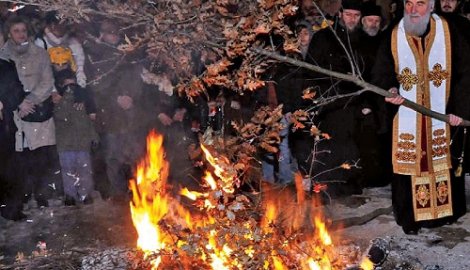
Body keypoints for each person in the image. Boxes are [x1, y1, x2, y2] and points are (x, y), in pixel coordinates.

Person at [372, 0, 470, 234]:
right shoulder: (394, 35)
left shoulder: (449, 32)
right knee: (409, 162)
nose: (413, 9)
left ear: (431, 7)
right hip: (407, 118)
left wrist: (459, 111)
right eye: (409, 3)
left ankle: (444, 215)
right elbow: (381, 72)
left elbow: (465, 72)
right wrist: (390, 91)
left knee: (442, 158)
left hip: (442, 115)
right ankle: (412, 217)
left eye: (420, 3)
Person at [0, 16, 62, 209]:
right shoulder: (3, 54)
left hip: (37, 109)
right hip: (14, 112)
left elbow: (47, 80)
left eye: (23, 30)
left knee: (40, 155)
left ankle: (41, 192)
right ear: (9, 33)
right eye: (16, 31)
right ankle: (22, 193)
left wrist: (30, 100)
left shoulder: (40, 53)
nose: (21, 34)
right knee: (20, 156)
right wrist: (18, 102)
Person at [304, 0, 365, 197]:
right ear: (340, 14)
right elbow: (311, 71)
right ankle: (327, 188)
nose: (352, 19)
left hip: (354, 105)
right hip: (329, 104)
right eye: (349, 15)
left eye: (356, 16)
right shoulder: (323, 38)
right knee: (329, 147)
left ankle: (350, 186)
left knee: (352, 147)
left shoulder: (361, 39)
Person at [84, 19, 146, 200]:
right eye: (109, 31)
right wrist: (116, 98)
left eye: (115, 31)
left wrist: (130, 96)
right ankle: (118, 193)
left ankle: (140, 191)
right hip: (109, 114)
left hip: (131, 114)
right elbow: (95, 85)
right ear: (101, 33)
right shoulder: (94, 55)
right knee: (113, 156)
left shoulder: (128, 52)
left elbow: (137, 77)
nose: (114, 35)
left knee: (136, 154)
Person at [49, 46, 98, 205]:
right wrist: (64, 99)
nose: (71, 89)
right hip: (65, 144)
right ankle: (70, 195)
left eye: (73, 85)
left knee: (84, 169)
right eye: (67, 86)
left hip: (82, 142)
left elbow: (89, 121)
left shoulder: (82, 102)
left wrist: (94, 137)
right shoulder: (58, 102)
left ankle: (85, 193)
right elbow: (59, 117)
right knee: (68, 171)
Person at [0, 58, 26, 220]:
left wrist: (3, 103)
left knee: (8, 170)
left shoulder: (5, 66)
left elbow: (17, 92)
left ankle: (10, 209)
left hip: (4, 128)